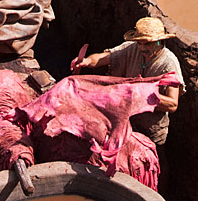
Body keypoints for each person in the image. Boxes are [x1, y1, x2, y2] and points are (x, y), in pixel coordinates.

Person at [71, 17, 184, 146]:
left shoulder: (169, 64)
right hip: (126, 122)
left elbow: (173, 104)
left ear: (159, 42)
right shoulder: (131, 48)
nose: (141, 48)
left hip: (151, 130)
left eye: (146, 43)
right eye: (139, 43)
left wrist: (143, 94)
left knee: (151, 160)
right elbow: (104, 57)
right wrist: (87, 61)